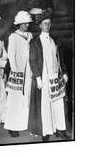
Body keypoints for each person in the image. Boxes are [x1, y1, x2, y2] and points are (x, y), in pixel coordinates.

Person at [28, 8, 71, 141]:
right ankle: (46, 131)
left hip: (55, 78)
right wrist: (38, 77)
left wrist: (64, 72)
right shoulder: (35, 42)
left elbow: (60, 59)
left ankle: (60, 129)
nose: (47, 26)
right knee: (45, 105)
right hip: (44, 78)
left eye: (49, 23)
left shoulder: (54, 41)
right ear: (40, 25)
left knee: (58, 103)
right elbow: (32, 60)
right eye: (45, 23)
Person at [4, 11, 33, 137]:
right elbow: (11, 55)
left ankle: (23, 124)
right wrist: (16, 70)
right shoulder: (13, 37)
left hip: (29, 71)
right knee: (14, 100)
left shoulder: (30, 35)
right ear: (19, 24)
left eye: (28, 23)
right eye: (24, 23)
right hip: (17, 72)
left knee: (26, 98)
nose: (27, 25)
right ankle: (12, 126)